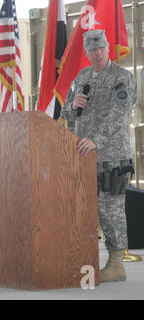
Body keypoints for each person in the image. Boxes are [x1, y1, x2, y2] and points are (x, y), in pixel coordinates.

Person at [61, 29, 137, 282]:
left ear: (108, 48)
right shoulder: (82, 76)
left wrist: (96, 140)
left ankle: (116, 263)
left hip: (111, 156)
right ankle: (83, 260)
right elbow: (65, 111)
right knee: (82, 209)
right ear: (86, 52)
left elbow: (120, 115)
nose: (98, 53)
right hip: (83, 157)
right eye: (93, 49)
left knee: (110, 210)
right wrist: (73, 106)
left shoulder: (121, 77)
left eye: (102, 48)